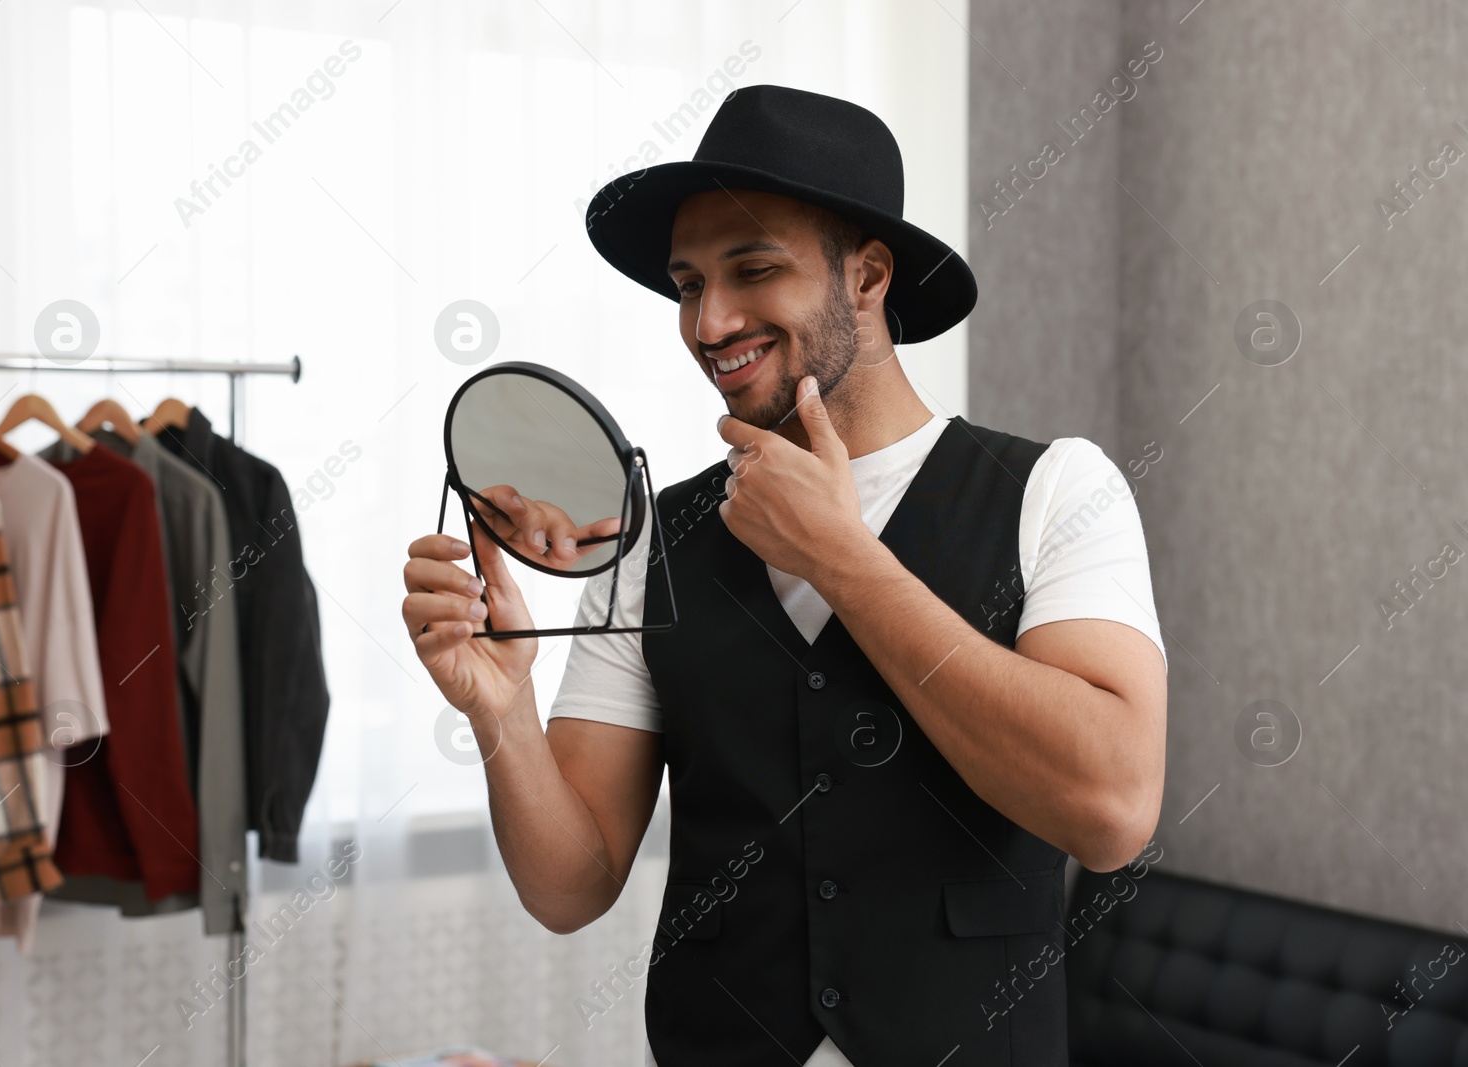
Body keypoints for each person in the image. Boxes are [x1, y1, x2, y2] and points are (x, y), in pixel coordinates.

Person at [405, 84, 1168, 1067]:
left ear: (868, 275)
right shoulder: (651, 538)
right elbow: (569, 887)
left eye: (752, 269)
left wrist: (846, 563)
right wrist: (502, 711)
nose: (709, 321)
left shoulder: (1057, 490)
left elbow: (1109, 810)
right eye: (686, 284)